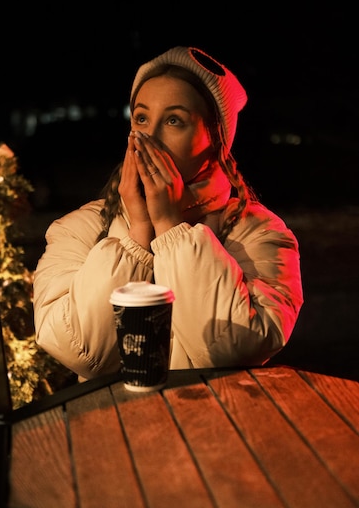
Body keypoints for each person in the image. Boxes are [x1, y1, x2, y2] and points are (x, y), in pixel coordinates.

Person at [33, 46, 303, 382]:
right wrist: (139, 236)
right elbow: (80, 353)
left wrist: (170, 228)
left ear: (215, 140)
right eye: (142, 118)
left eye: (174, 120)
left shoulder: (259, 233)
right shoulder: (82, 228)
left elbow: (233, 350)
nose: (151, 137)